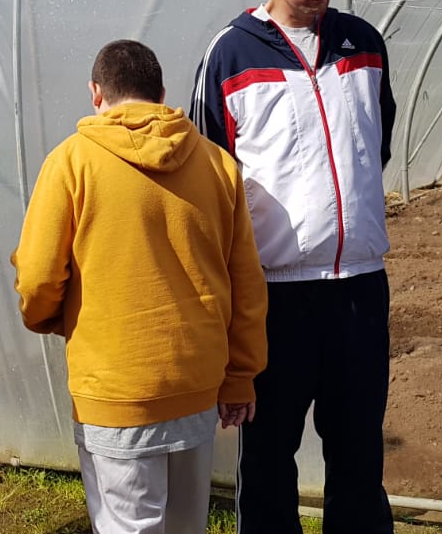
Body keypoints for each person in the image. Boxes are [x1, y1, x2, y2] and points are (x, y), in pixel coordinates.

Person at [189, 0, 396, 534]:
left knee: (359, 452)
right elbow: (211, 175)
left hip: (360, 284)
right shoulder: (230, 54)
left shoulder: (364, 42)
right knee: (271, 455)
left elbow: (376, 142)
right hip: (273, 296)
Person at [14, 39, 267, 534]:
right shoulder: (217, 165)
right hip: (195, 383)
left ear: (96, 93)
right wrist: (240, 375)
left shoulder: (70, 163)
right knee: (185, 525)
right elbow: (246, 282)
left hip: (114, 387)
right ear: (162, 93)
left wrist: (49, 317)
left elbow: (40, 276)